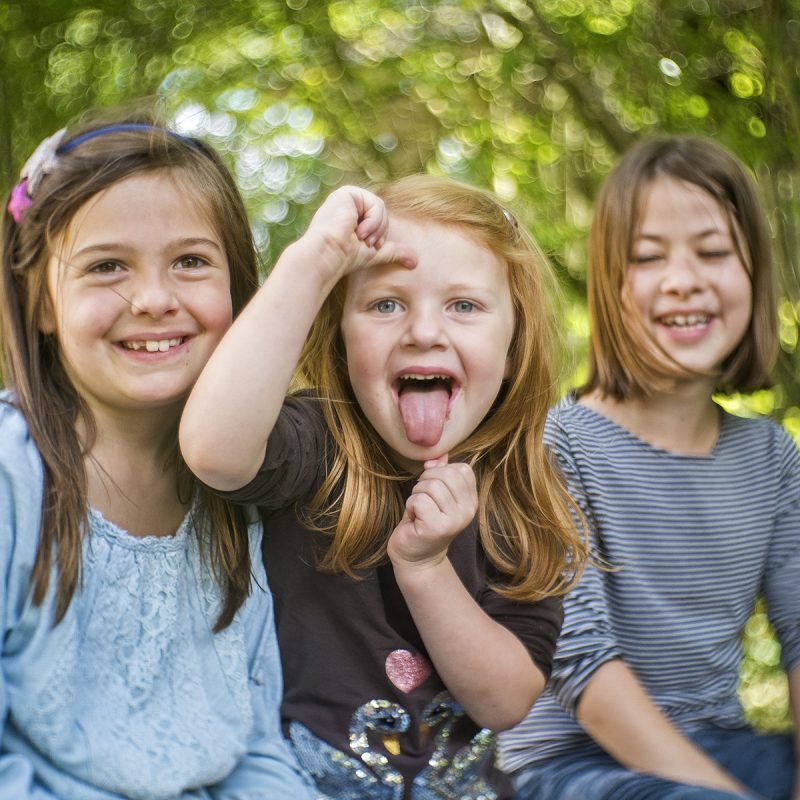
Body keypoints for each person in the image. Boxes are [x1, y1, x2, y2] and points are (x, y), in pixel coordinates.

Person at [179, 174, 588, 799]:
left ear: (514, 343)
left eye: (465, 306)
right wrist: (313, 262)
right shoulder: (316, 442)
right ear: (341, 341)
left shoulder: (521, 489)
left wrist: (425, 571)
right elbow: (214, 451)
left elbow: (506, 699)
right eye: (386, 304)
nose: (424, 332)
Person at [0, 117, 313, 799]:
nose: (153, 299)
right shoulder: (12, 476)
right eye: (107, 266)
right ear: (41, 302)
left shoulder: (241, 485)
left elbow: (255, 742)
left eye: (191, 261)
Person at [499, 136, 800, 800]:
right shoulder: (555, 445)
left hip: (724, 745)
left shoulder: (772, 458)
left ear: (755, 272)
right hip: (574, 764)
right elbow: (578, 665)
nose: (683, 278)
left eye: (714, 252)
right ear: (611, 287)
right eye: (647, 258)